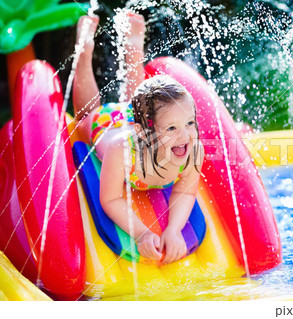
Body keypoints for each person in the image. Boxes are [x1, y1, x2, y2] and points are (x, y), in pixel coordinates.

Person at [72, 13, 204, 265]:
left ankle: (133, 45)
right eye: (172, 129)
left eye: (190, 123)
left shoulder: (192, 149)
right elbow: (111, 198)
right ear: (143, 134)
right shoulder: (122, 151)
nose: (185, 135)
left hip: (142, 120)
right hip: (108, 124)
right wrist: (142, 233)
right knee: (86, 114)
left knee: (144, 102)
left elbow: (185, 190)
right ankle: (84, 52)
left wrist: (174, 229)